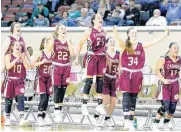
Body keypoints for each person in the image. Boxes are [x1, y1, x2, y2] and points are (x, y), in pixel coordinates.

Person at [113, 26, 169, 130]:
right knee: (126, 95)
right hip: (126, 72)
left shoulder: (140, 45)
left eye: (135, 32)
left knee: (133, 97)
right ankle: (126, 120)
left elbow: (153, 42)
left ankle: (130, 119)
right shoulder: (125, 45)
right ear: (128, 34)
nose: (134, 34)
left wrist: (164, 35)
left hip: (137, 73)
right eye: (132, 32)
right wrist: (115, 32)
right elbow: (118, 40)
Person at [73, 14, 107, 117]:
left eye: (101, 17)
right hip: (91, 56)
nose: (100, 19)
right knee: (89, 80)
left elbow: (104, 46)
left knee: (101, 81)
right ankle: (84, 104)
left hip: (101, 57)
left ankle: (99, 105)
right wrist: (76, 57)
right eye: (97, 18)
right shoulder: (89, 31)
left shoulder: (105, 31)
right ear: (93, 21)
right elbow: (79, 44)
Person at [152, 42, 181, 131]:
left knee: (172, 107)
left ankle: (166, 123)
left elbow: (179, 72)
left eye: (178, 48)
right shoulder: (163, 59)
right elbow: (156, 70)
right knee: (165, 105)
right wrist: (163, 79)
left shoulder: (179, 59)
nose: (176, 50)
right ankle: (155, 124)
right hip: (165, 84)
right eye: (174, 48)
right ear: (169, 49)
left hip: (175, 84)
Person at [94, 37, 121, 127]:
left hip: (113, 79)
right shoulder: (104, 54)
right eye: (111, 41)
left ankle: (107, 118)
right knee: (106, 100)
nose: (112, 42)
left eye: (114, 41)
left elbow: (120, 67)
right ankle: (96, 116)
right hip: (104, 78)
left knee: (113, 101)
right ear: (107, 44)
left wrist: (120, 77)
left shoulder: (118, 54)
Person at [3, 41, 30, 126]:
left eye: (20, 45)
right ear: (12, 47)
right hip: (10, 80)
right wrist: (16, 59)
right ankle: (7, 117)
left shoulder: (22, 56)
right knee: (9, 100)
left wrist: (23, 59)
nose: (19, 46)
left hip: (19, 81)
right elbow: (8, 67)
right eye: (16, 45)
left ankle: (21, 118)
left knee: (21, 97)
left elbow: (27, 67)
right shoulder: (8, 56)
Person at [51, 24, 75, 122]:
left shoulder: (69, 41)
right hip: (57, 66)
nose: (64, 30)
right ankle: (56, 110)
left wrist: (69, 42)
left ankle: (59, 109)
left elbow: (72, 53)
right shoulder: (54, 41)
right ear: (57, 31)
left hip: (66, 67)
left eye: (65, 28)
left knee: (63, 89)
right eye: (62, 29)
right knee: (57, 88)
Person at [31, 36, 54, 126]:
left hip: (49, 78)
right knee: (43, 97)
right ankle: (39, 116)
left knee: (47, 98)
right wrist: (41, 62)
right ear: (46, 43)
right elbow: (31, 64)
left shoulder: (53, 54)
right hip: (40, 77)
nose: (53, 43)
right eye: (51, 42)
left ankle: (43, 116)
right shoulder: (39, 53)